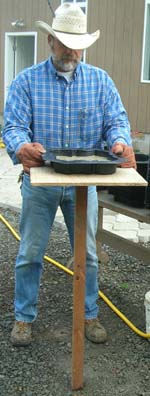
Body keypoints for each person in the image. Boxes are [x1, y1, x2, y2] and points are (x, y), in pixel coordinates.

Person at [2, 2, 136, 347]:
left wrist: (120, 143)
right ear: (50, 42)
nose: (70, 50)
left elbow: (116, 122)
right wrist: (20, 146)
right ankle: (23, 318)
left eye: (76, 44)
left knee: (88, 254)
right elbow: (12, 126)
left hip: (84, 184)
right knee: (30, 253)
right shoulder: (26, 82)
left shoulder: (100, 81)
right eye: (63, 42)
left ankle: (88, 314)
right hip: (42, 182)